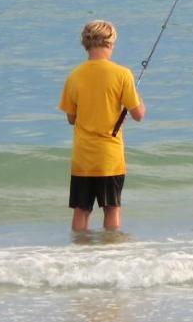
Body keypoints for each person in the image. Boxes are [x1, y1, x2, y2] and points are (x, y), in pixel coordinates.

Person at [58, 20, 146, 232]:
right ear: (110, 43)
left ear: (86, 44)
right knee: (112, 208)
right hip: (109, 157)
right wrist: (134, 96)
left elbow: (71, 118)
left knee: (81, 210)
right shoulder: (122, 74)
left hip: (82, 158)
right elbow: (139, 114)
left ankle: (80, 253)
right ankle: (110, 256)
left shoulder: (74, 75)